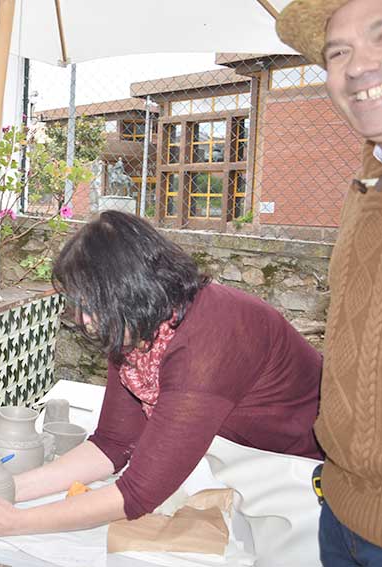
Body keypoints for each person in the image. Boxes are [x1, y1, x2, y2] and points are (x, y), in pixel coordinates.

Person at [0, 211, 323, 536]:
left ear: (131, 290)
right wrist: (7, 489)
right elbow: (112, 444)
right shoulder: (136, 326)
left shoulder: (211, 338)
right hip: (251, 462)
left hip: (307, 471)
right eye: (78, 306)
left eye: (92, 306)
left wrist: (15, 523)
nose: (86, 322)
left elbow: (139, 493)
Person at [277, 0, 382, 563]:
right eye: (337, 52)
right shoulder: (366, 185)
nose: (357, 67)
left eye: (380, 37)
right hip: (341, 510)